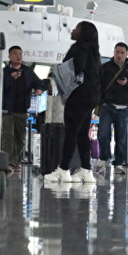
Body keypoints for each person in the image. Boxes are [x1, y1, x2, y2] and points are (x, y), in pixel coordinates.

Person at [44, 21, 101, 183]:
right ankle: (86, 169)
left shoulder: (80, 47)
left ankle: (63, 170)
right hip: (92, 95)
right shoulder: (94, 51)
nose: (73, 30)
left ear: (83, 33)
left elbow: (77, 67)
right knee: (82, 133)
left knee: (71, 132)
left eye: (77, 28)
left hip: (79, 95)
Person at [96, 42, 128, 175]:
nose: (119, 55)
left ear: (126, 54)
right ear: (114, 52)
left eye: (122, 53)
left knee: (121, 137)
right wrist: (101, 102)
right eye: (117, 52)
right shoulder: (105, 67)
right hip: (107, 107)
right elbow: (98, 85)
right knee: (103, 134)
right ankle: (103, 158)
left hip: (123, 108)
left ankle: (118, 163)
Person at [2, 45, 44, 171]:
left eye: (20, 54)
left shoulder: (28, 71)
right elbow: (0, 87)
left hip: (22, 110)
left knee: (20, 139)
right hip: (7, 111)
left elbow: (39, 83)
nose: (19, 56)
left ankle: (15, 162)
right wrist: (11, 78)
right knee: (7, 137)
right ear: (9, 56)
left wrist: (39, 89)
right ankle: (8, 162)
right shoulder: (4, 72)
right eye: (15, 54)